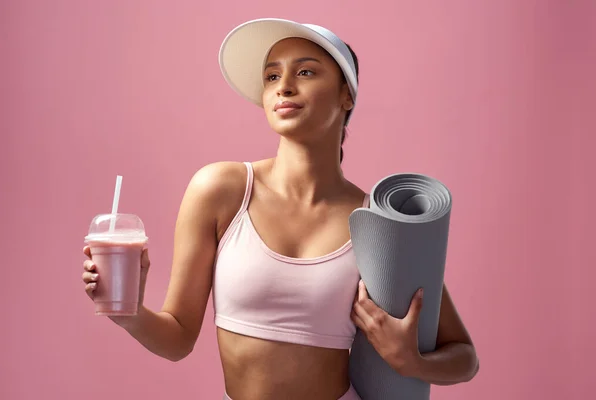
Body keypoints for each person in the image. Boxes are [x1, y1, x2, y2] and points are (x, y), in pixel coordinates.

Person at [82, 18, 479, 400]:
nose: (283, 87)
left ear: (347, 95)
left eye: (305, 72)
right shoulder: (220, 190)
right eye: (272, 76)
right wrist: (130, 312)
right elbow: (177, 339)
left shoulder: (376, 222)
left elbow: (464, 357)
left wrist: (411, 362)